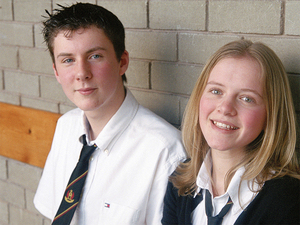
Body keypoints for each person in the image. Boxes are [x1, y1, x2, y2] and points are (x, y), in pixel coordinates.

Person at [33, 3, 186, 225]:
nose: (82, 73)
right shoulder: (66, 126)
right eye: (68, 60)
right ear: (56, 71)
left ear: (122, 62)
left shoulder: (166, 151)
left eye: (95, 56)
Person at [162, 39, 300, 225]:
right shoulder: (180, 181)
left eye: (246, 98)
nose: (225, 108)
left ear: (271, 115)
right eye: (216, 91)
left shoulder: (290, 203)